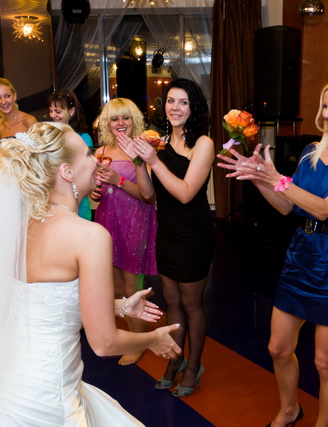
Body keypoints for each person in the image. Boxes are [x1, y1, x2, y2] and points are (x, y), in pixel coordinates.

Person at [0, 121, 181, 426]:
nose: (96, 160)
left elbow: (42, 304)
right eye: (87, 155)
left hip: (3, 383)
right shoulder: (89, 236)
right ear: (67, 172)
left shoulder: (19, 225)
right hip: (48, 396)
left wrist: (118, 306)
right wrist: (152, 339)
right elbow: (104, 343)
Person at [217, 73, 328, 427]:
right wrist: (259, 178)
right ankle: (290, 410)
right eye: (324, 105)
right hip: (302, 252)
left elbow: (324, 209)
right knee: (278, 347)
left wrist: (276, 178)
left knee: (326, 363)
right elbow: (286, 206)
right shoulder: (311, 152)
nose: (327, 112)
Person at [117, 78, 215, 397]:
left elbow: (185, 193)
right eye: (171, 101)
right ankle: (175, 359)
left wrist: (153, 160)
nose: (175, 107)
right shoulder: (158, 143)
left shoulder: (203, 143)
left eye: (183, 102)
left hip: (193, 234)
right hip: (167, 231)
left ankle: (193, 366)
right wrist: (139, 161)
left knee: (191, 303)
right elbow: (148, 194)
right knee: (172, 301)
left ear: (194, 107)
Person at [90, 98, 158, 365]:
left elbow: (148, 196)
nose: (120, 123)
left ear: (134, 120)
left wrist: (116, 180)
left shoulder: (144, 150)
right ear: (107, 123)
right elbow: (95, 191)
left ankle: (140, 342)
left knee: (132, 287)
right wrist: (94, 191)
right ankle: (129, 336)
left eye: (125, 117)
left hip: (135, 222)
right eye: (114, 118)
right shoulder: (100, 151)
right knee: (116, 287)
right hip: (107, 221)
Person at [48, 89, 94, 219]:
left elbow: (82, 171)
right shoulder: (49, 138)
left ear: (71, 111)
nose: (53, 115)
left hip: (77, 200)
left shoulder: (83, 138)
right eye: (51, 111)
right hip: (52, 200)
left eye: (58, 111)